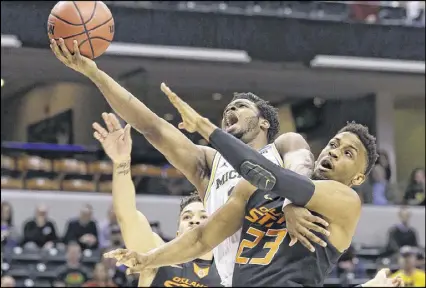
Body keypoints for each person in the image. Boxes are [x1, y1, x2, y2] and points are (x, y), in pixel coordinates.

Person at [51, 39, 329, 286]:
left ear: (265, 121)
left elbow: (302, 170)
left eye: (242, 106)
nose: (231, 108)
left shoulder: (282, 146)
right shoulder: (209, 162)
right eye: (228, 107)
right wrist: (94, 73)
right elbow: (152, 127)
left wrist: (293, 202)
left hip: (285, 275)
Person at [105, 86, 403, 287]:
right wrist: (148, 258)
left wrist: (206, 128)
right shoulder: (250, 189)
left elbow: (280, 177)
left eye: (348, 153)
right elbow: (202, 239)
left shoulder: (345, 200)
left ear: (359, 178)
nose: (335, 151)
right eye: (334, 144)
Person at [92, 113, 222, 287]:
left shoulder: (229, 271)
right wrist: (121, 162)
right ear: (177, 233)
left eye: (203, 216)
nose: (195, 220)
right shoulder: (157, 257)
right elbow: (126, 214)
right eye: (187, 217)